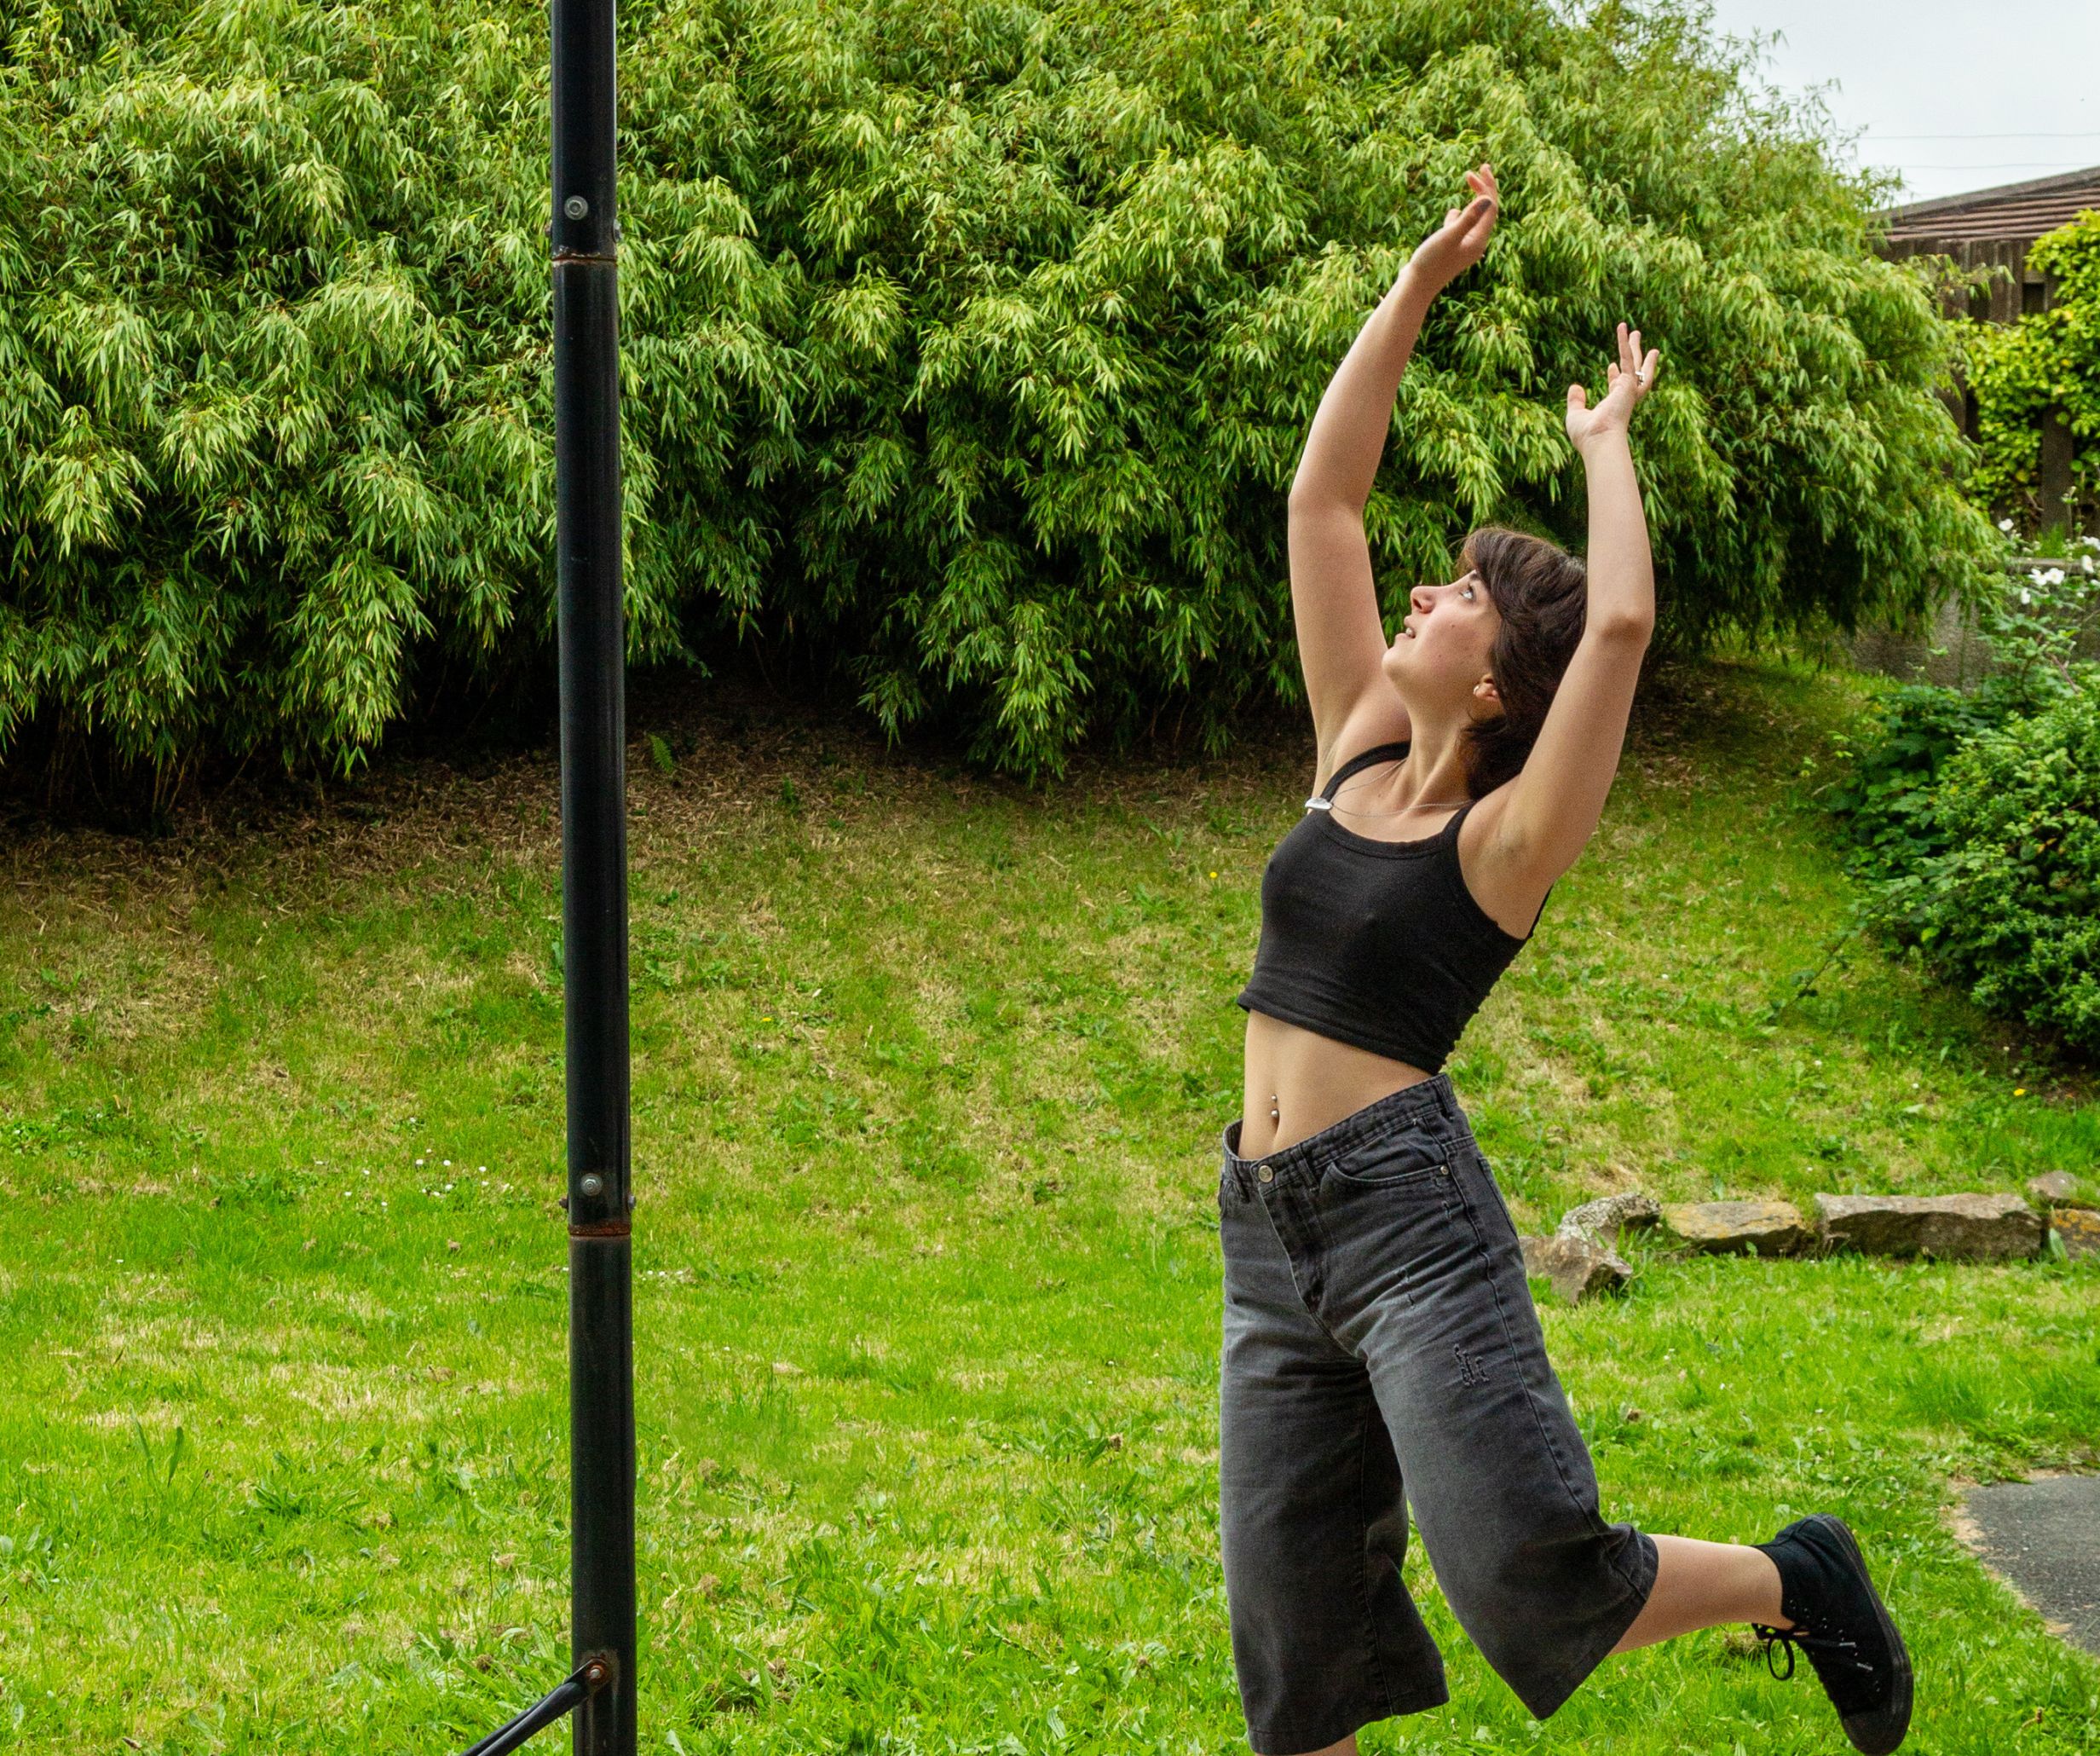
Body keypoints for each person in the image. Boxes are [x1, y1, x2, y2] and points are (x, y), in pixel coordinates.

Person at [1215, 163, 1912, 1756]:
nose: (1421, 589)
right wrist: (1413, 293)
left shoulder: (1504, 845)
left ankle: (1795, 1575)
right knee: (1295, 1633)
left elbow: (1616, 635)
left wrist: (1608, 449)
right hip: (1267, 1231)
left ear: (1502, 681)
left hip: (1407, 1227)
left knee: (1526, 1575)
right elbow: (1322, 502)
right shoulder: (1351, 751)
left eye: (1456, 594)